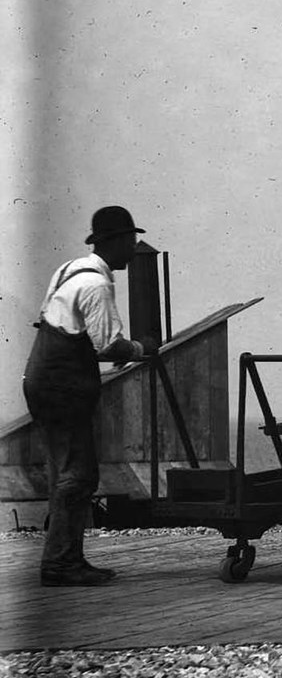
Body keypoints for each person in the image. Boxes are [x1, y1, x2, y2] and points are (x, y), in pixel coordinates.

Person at [24, 206, 155, 587]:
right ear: (114, 243)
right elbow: (108, 345)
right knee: (77, 477)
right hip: (61, 387)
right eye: (131, 240)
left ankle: (64, 559)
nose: (134, 249)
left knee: (64, 475)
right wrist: (141, 348)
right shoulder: (97, 285)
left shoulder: (69, 270)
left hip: (44, 381)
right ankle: (61, 565)